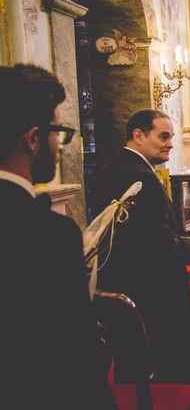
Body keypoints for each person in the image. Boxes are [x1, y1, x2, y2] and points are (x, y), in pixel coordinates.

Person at [1, 64, 114, 408]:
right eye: (58, 132)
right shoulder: (46, 233)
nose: (61, 145)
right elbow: (73, 358)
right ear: (33, 138)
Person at [96, 109, 190, 383]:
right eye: (163, 136)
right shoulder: (138, 175)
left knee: (136, 366)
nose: (170, 143)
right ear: (138, 135)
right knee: (166, 364)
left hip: (132, 281)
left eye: (172, 137)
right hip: (151, 288)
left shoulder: (122, 165)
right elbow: (154, 244)